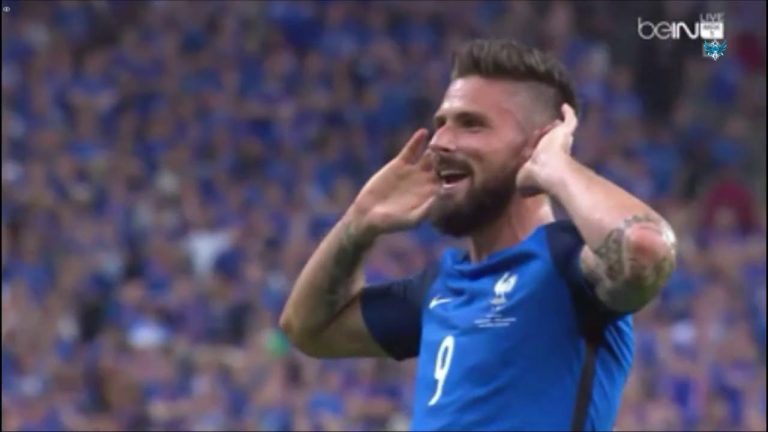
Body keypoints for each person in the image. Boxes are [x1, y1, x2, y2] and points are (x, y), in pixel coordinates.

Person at [279, 39, 677, 431]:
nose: (439, 142)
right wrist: (358, 224)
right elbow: (308, 329)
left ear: (538, 144)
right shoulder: (439, 288)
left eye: (471, 124)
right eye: (442, 124)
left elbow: (643, 249)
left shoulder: (568, 265)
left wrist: (556, 168)